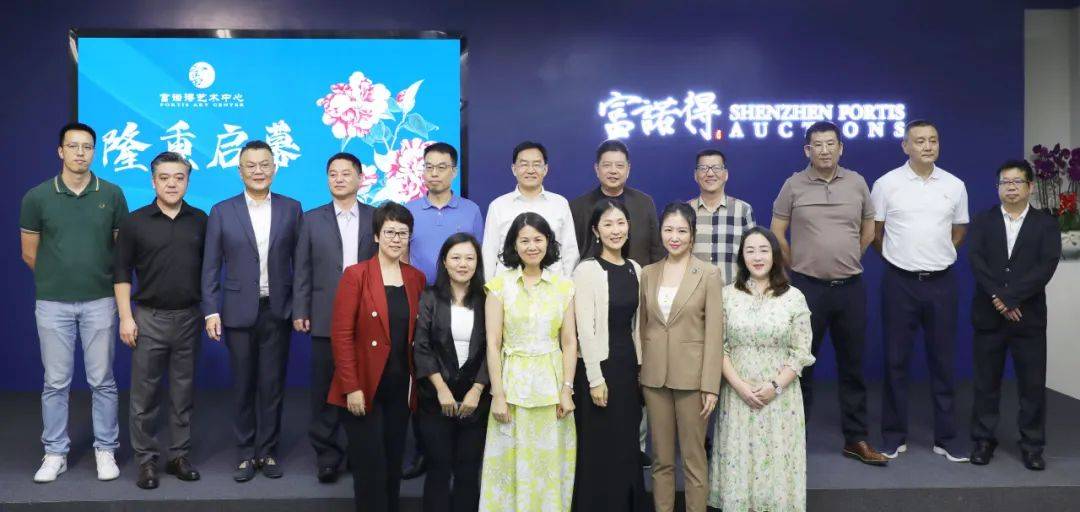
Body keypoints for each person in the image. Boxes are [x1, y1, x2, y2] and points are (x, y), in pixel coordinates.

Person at [771, 121, 887, 466]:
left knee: (853, 367)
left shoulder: (857, 182)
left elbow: (869, 229)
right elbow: (777, 230)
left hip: (850, 288)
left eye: (830, 144)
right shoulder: (793, 184)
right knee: (801, 367)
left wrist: (850, 257)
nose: (824, 150)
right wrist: (795, 265)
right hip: (807, 288)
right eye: (817, 145)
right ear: (807, 150)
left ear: (841, 148)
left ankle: (856, 438)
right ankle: (794, 438)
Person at [21, 122, 128, 483]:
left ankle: (105, 449)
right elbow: (30, 254)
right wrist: (61, 278)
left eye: (87, 147)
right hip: (53, 304)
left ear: (94, 152)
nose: (80, 153)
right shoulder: (37, 197)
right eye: (73, 146)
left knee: (103, 380)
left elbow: (120, 251)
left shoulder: (111, 194)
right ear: (60, 151)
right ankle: (55, 452)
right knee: (55, 382)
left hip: (101, 301)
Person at [201, 140, 303, 481]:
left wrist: (299, 307)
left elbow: (301, 264)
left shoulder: (292, 208)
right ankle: (245, 453)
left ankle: (268, 451)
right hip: (237, 311)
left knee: (272, 386)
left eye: (264, 164)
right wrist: (211, 311)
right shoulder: (222, 211)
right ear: (240, 170)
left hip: (278, 310)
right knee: (243, 385)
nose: (258, 171)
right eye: (251, 165)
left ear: (275, 168)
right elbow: (210, 266)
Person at [870, 120, 970, 462]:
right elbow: (875, 233)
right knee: (895, 361)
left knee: (943, 362)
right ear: (905, 146)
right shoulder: (886, 184)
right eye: (920, 141)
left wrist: (938, 255)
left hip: (942, 283)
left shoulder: (955, 185)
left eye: (933, 140)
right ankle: (893, 436)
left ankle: (947, 438)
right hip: (899, 283)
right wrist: (899, 258)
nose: (928, 146)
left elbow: (959, 229)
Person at [114, 151, 206, 489]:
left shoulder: (200, 220)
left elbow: (210, 270)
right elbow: (121, 272)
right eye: (164, 178)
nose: (172, 184)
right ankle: (146, 461)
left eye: (179, 177)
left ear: (187, 181)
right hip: (148, 317)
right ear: (153, 182)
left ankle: (178, 455)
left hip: (188, 318)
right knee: (145, 395)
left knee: (183, 393)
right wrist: (126, 317)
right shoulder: (135, 222)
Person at [708, 227, 815, 512]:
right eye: (750, 251)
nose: (757, 257)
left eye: (764, 250)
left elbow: (800, 352)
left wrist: (775, 387)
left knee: (777, 462)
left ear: (774, 255)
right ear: (742, 257)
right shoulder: (727, 295)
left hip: (781, 400)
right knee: (740, 462)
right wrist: (741, 387)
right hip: (737, 395)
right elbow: (719, 347)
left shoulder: (794, 297)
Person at [330, 202, 427, 512]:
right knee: (369, 466)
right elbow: (342, 335)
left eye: (403, 233)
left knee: (393, 461)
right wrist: (351, 387)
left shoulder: (416, 278)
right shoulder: (356, 275)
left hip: (400, 387)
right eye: (390, 232)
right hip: (364, 387)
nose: (396, 239)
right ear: (376, 236)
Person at [478, 212, 578, 511]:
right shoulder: (498, 286)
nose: (532, 246)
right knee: (510, 468)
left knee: (548, 468)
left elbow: (569, 341)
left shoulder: (564, 287)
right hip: (512, 391)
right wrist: (497, 394)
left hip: (552, 391)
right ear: (514, 244)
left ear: (548, 242)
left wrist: (567, 389)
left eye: (538, 239)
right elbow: (493, 344)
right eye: (524, 240)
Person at [967, 160, 1061, 470]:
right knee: (986, 384)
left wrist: (1011, 297)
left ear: (1030, 187)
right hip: (989, 316)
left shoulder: (1045, 224)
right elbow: (976, 261)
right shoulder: (983, 220)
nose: (1010, 187)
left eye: (1017, 182)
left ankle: (1032, 445)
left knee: (1032, 386)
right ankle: (983, 440)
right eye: (1004, 182)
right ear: (998, 188)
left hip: (1028, 317)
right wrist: (999, 297)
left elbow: (1046, 266)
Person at [293, 152, 377, 483]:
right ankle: (327, 456)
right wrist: (301, 308)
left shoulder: (376, 217)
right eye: (333, 173)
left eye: (346, 173)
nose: (339, 179)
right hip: (325, 314)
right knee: (325, 390)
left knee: (365, 385)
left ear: (360, 178)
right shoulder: (311, 219)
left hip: (368, 315)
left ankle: (359, 452)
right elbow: (302, 267)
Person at [404, 141, 484, 480]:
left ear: (454, 171)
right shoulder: (409, 209)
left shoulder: (471, 210)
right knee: (421, 373)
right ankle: (425, 450)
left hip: (462, 303)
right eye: (429, 167)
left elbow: (478, 255)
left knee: (459, 367)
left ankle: (460, 448)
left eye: (442, 167)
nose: (434, 173)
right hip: (419, 302)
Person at [639, 202, 724, 512]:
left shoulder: (709, 273)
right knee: (661, 459)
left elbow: (714, 333)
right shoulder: (648, 273)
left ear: (692, 235)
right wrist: (641, 372)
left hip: (693, 380)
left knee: (693, 459)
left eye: (681, 231)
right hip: (654, 379)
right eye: (668, 230)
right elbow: (643, 328)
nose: (674, 237)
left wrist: (710, 385)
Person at [571, 199, 648, 511]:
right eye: (608, 224)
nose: (616, 230)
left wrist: (640, 367)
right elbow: (585, 330)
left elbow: (638, 325)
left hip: (627, 367)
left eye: (621, 223)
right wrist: (595, 378)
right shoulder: (587, 270)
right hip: (598, 367)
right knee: (599, 446)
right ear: (596, 230)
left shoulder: (635, 269)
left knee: (627, 443)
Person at [412, 233, 490, 511]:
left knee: (468, 470)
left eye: (469, 258)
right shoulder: (430, 297)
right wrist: (441, 389)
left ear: (478, 262)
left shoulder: (488, 299)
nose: (463, 264)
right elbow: (421, 346)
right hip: (435, 399)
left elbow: (494, 347)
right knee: (439, 467)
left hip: (476, 398)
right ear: (444, 262)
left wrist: (477, 390)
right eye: (456, 257)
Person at [482, 141, 578, 280]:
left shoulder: (560, 203)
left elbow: (570, 250)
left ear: (545, 169)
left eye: (537, 164)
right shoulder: (498, 206)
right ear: (514, 169)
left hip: (553, 286)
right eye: (524, 164)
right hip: (508, 286)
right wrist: (489, 287)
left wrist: (567, 285)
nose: (530, 170)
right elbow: (489, 253)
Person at [569, 139, 663, 265]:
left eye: (619, 165)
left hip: (638, 274)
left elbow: (656, 250)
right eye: (607, 165)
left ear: (628, 169)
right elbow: (571, 253)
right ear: (597, 169)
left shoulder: (644, 203)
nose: (613, 171)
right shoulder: (578, 207)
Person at [688, 149, 755, 284]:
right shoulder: (686, 211)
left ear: (726, 174)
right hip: (693, 292)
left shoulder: (743, 210)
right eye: (703, 168)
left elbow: (753, 253)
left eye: (716, 168)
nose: (710, 173)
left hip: (734, 292)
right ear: (695, 175)